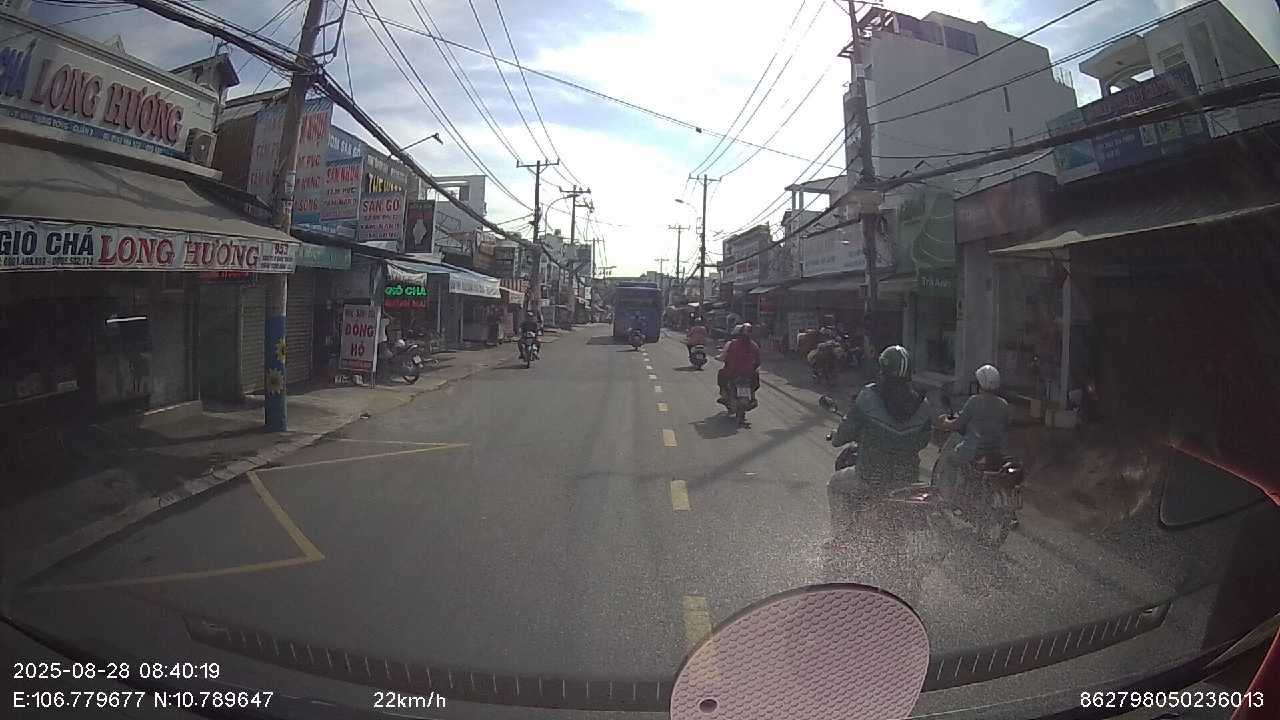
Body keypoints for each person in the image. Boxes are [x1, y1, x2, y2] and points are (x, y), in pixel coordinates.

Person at [828, 345, 933, 492]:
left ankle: (847, 510)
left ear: (882, 368)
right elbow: (923, 441)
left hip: (870, 476)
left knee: (835, 483)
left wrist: (836, 438)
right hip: (908, 479)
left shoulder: (868, 396)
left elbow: (846, 431)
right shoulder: (922, 403)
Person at [935, 364, 1011, 498]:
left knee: (949, 460)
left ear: (980, 383)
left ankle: (946, 497)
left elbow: (957, 425)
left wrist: (944, 421)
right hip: (995, 454)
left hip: (972, 452)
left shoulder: (974, 401)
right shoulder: (1003, 404)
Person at [717, 323, 761, 404]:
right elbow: (758, 362)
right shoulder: (755, 346)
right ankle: (752, 397)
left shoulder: (731, 344)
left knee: (721, 374)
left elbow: (723, 357)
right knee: (755, 379)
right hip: (749, 374)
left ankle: (724, 396)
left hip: (732, 372)